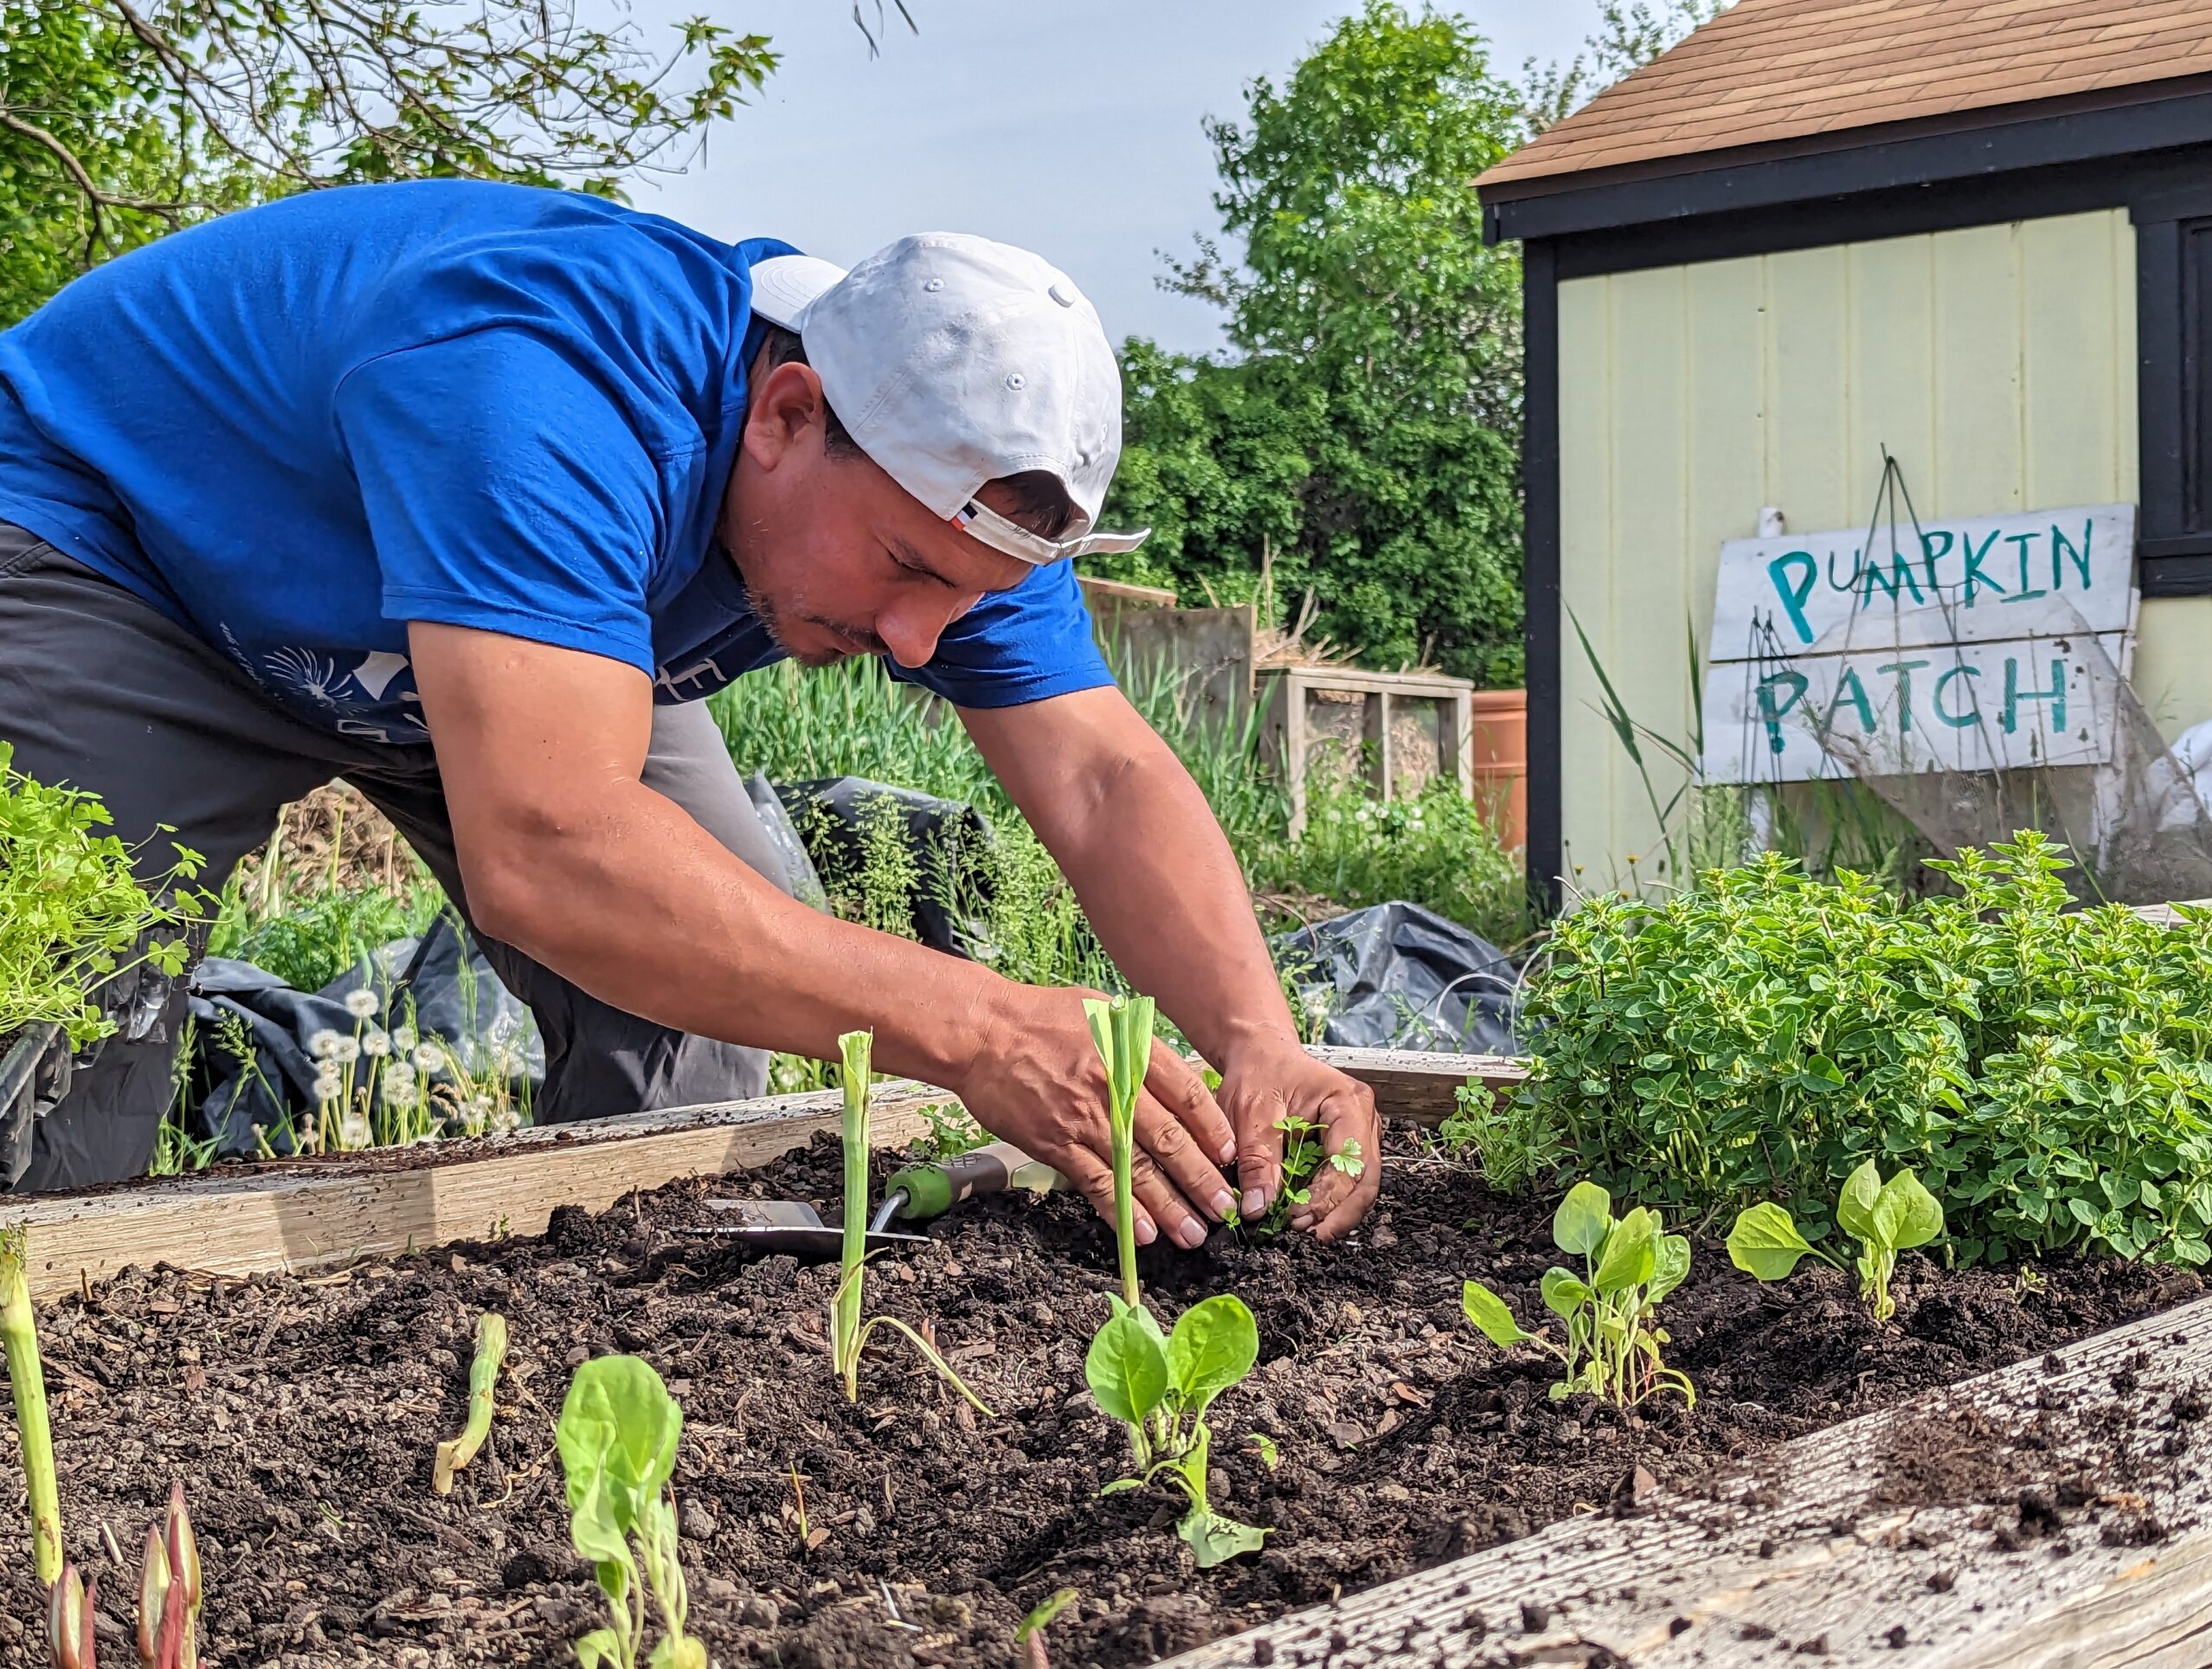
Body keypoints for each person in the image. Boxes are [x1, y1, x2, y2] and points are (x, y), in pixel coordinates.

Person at [0, 179, 1379, 1243]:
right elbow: (549, 849)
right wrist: (982, 1027)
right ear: (784, 414)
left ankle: (604, 1412)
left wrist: (1258, 1037)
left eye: (961, 600)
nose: (917, 643)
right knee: (59, 1054)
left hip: (506, 636)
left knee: (716, 1000)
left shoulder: (956, 508)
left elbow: (1099, 779)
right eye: (903, 572)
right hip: (121, 558)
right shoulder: (546, 384)